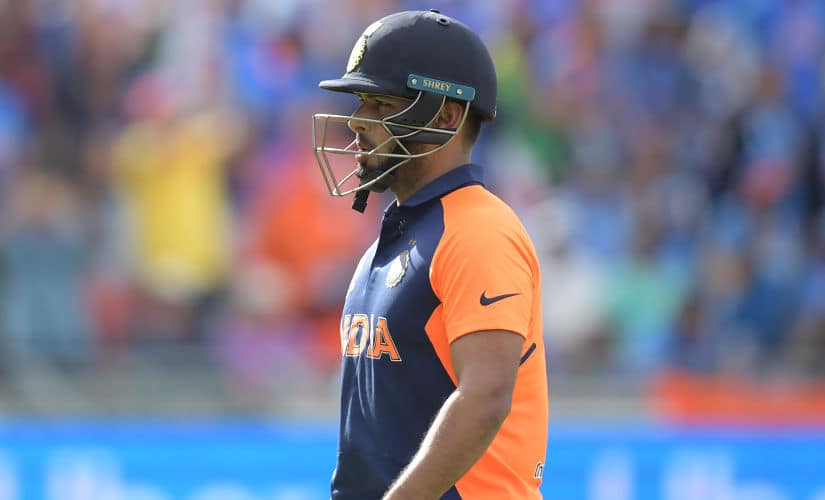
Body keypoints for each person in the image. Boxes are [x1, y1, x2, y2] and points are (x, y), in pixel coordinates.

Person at [313, 10, 548, 500]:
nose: (357, 122)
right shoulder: (398, 238)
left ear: (446, 116)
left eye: (380, 105)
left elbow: (485, 397)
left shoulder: (478, 229)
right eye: (362, 102)